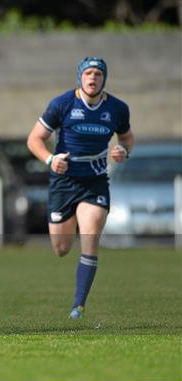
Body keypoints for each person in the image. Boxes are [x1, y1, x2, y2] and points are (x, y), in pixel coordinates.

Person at [26, 56, 134, 319]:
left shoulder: (118, 108)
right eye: (88, 74)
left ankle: (78, 304)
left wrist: (123, 150)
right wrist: (51, 159)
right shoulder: (62, 104)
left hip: (95, 181)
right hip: (64, 182)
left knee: (90, 237)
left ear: (103, 79)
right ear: (80, 77)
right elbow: (34, 139)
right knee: (61, 248)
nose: (93, 78)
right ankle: (70, 218)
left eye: (98, 74)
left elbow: (127, 138)